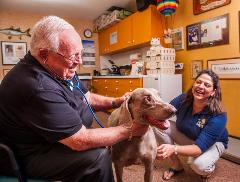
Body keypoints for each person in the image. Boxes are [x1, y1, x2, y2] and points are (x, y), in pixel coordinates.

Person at [0, 16, 148, 182]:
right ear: (44, 54)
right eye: (73, 56)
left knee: (99, 140)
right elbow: (80, 140)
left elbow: (87, 97)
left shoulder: (60, 67)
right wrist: (130, 129)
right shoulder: (36, 86)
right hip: (28, 154)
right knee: (97, 157)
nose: (80, 61)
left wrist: (115, 101)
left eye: (80, 54)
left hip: (51, 137)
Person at [154, 69, 228, 180]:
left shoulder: (219, 115)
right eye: (198, 82)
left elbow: (198, 148)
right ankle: (176, 165)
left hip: (214, 143)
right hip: (192, 136)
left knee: (199, 165)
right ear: (194, 84)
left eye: (207, 85)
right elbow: (163, 114)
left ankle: (208, 168)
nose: (201, 86)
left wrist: (174, 148)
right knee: (159, 125)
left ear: (214, 92)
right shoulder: (183, 99)